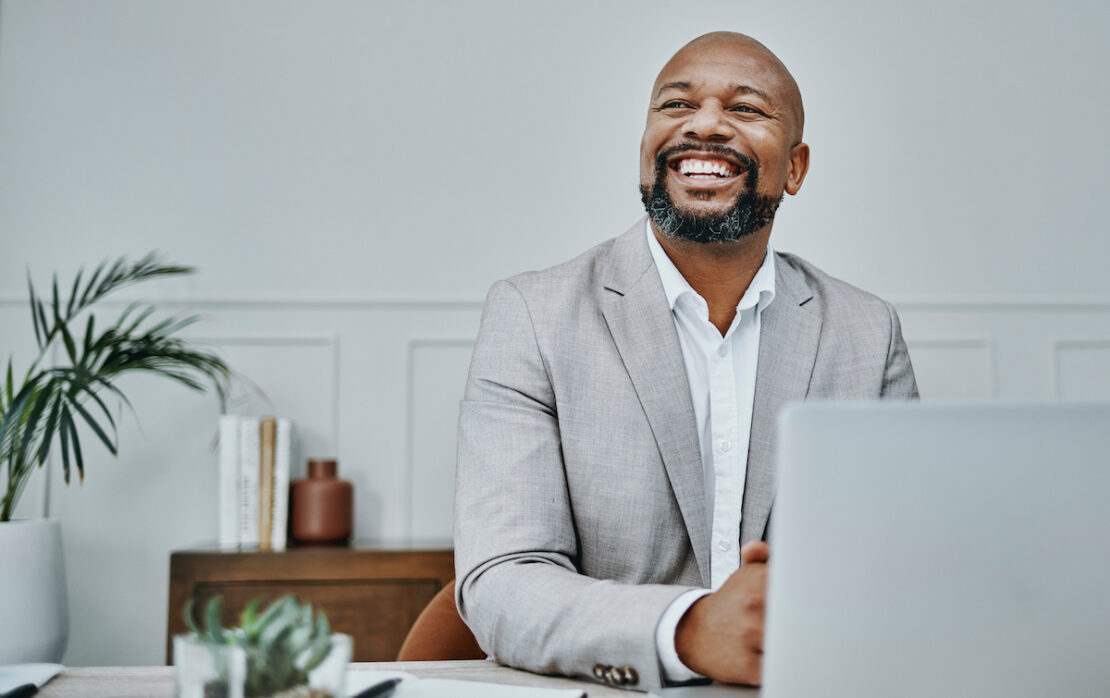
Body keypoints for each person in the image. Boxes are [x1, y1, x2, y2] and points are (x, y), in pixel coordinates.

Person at [453, 31, 917, 692]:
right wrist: (689, 629)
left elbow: (901, 567)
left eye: (747, 109)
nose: (704, 125)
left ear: (795, 166)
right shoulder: (532, 315)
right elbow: (500, 582)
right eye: (675, 106)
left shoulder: (868, 334)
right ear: (646, 149)